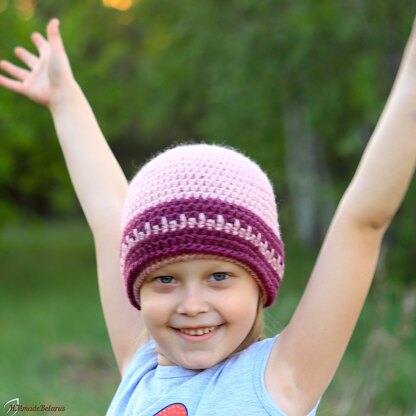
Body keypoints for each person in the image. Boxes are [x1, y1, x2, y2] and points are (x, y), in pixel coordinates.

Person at [0, 17, 415, 416]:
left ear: (259, 283)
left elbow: (363, 221)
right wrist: (65, 100)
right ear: (137, 290)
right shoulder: (140, 369)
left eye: (218, 276)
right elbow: (109, 215)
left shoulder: (280, 381)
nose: (192, 304)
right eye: (165, 279)